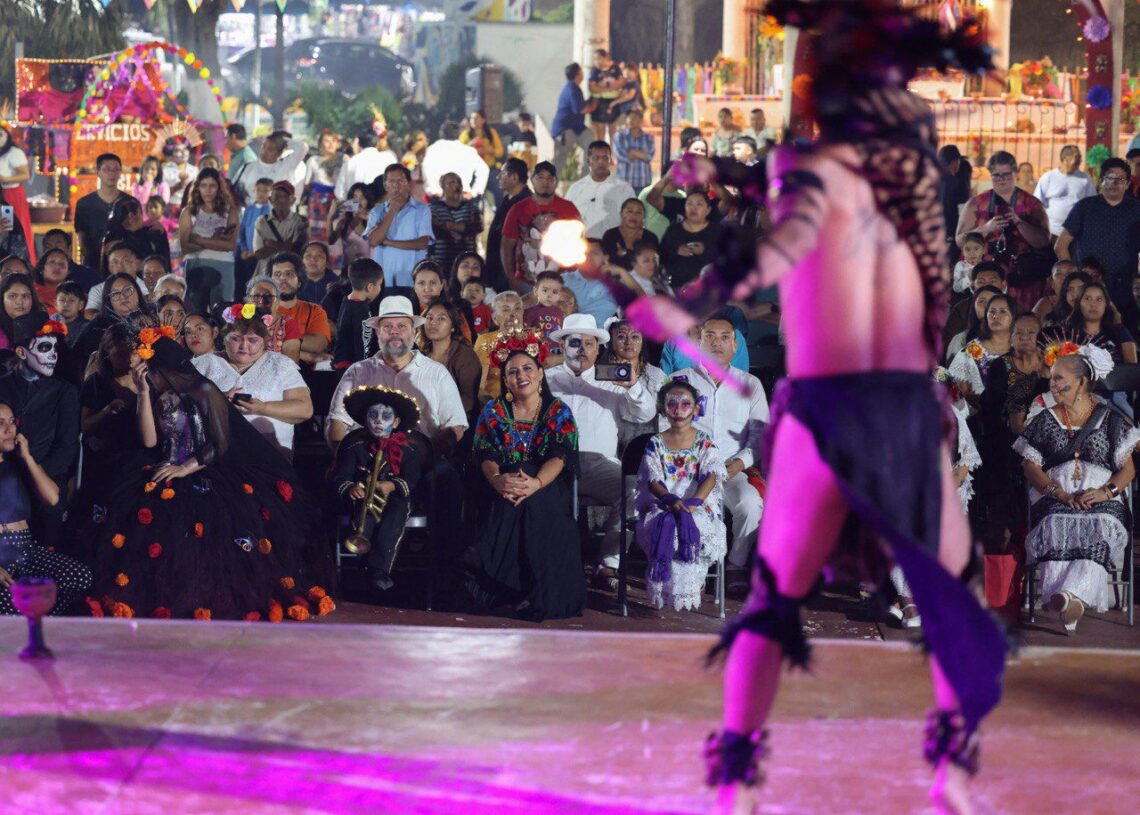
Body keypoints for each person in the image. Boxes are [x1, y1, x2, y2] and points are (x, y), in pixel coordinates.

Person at [623, 4, 1005, 809]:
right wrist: (693, 299)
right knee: (777, 597)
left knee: (950, 594)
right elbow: (784, 241)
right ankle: (736, 769)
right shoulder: (814, 171)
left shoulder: (910, 184)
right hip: (829, 411)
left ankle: (953, 765)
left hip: (899, 407)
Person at [89, 335, 333, 621]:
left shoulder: (203, 390)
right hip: (168, 465)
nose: (148, 377)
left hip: (204, 468)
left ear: (165, 369)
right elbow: (150, 441)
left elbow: (220, 442)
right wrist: (143, 393)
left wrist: (185, 468)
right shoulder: (159, 396)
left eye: (150, 372)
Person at [1016, 345, 1140, 632]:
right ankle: (1070, 601)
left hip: (1101, 497)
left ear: (1082, 382)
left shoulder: (1112, 420)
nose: (1052, 384)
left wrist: (1106, 492)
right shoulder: (1044, 419)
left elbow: (1128, 469)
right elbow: (1030, 467)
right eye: (1052, 378)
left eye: (1059, 378)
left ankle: (1069, 597)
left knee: (1101, 523)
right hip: (1055, 494)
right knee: (1054, 522)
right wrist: (1058, 492)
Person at [466, 344, 585, 621]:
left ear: (541, 374)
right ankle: (503, 588)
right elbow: (485, 453)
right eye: (513, 372)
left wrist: (536, 483)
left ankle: (539, 593)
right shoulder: (494, 410)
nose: (521, 375)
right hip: (502, 485)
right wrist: (497, 479)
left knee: (535, 504)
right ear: (506, 381)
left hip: (546, 484)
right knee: (509, 498)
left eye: (528, 368)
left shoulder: (558, 411)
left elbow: (561, 455)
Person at [547, 313, 657, 582]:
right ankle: (547, 564)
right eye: (575, 343)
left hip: (598, 465)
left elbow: (645, 414)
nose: (581, 350)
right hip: (552, 466)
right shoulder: (546, 379)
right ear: (562, 346)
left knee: (635, 491)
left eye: (589, 343)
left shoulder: (612, 380)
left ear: (598, 349)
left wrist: (632, 386)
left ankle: (609, 562)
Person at [671, 313, 768, 580]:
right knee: (683, 508)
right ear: (699, 343)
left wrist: (740, 462)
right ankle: (693, 569)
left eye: (725, 338)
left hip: (732, 470)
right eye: (710, 336)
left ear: (735, 346)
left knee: (750, 506)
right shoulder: (680, 381)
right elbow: (665, 430)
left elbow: (760, 435)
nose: (717, 343)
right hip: (689, 471)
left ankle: (735, 565)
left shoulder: (750, 385)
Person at [326, 295, 468, 458]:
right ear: (378, 332)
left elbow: (455, 425)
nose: (394, 331)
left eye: (402, 326)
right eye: (387, 326)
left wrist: (427, 458)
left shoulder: (437, 373)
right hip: (366, 460)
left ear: (414, 332)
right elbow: (337, 421)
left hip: (423, 460)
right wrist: (346, 460)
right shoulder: (357, 372)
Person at [635, 378, 726, 611]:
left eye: (685, 404)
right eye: (671, 404)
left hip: (697, 505)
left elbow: (711, 476)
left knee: (693, 525)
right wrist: (672, 501)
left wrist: (693, 503)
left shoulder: (704, 442)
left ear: (696, 408)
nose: (678, 410)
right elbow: (652, 479)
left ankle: (691, 584)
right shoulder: (655, 442)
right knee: (666, 526)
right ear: (663, 408)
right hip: (663, 505)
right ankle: (668, 588)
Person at [0, 399, 91, 616]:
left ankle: (43, 627)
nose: (9, 429)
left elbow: (52, 498)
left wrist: (28, 457)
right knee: (12, 604)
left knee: (79, 577)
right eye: (0, 423)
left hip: (26, 548)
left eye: (12, 421)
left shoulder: (19, 462)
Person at [330, 385, 425, 591]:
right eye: (373, 415)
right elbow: (340, 477)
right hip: (364, 497)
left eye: (386, 416)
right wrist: (351, 488)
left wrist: (392, 484)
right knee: (365, 516)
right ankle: (361, 564)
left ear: (396, 422)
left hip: (396, 498)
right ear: (365, 419)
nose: (378, 421)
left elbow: (414, 479)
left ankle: (378, 569)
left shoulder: (408, 450)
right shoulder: (355, 447)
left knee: (394, 518)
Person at [193, 307, 313, 457]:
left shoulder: (281, 364)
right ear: (224, 338)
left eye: (253, 340)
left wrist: (263, 408)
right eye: (236, 339)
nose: (243, 346)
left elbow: (304, 409)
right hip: (214, 454)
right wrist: (219, 399)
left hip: (269, 455)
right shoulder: (203, 364)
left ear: (264, 341)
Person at [956, 150, 1052, 311]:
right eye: (996, 175)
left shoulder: (1031, 204)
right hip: (987, 277)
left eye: (1006, 175)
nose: (1001, 180)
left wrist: (1020, 223)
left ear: (1015, 173)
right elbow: (960, 240)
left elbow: (1044, 241)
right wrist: (985, 229)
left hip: (1022, 278)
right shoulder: (976, 203)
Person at [1055, 157, 1140, 322]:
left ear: (1128, 184)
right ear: (1101, 181)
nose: (1115, 183)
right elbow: (1061, 245)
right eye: (1110, 177)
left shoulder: (1136, 210)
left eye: (1121, 179)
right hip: (1087, 288)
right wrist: (1076, 279)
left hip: (1124, 287)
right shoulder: (1085, 207)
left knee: (1125, 332)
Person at [500, 162, 582, 292]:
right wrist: (511, 278)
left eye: (550, 178)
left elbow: (578, 244)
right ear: (532, 180)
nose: (545, 182)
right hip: (526, 282)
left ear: (556, 182)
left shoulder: (568, 208)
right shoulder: (518, 209)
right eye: (540, 177)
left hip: (561, 283)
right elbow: (506, 246)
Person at [179, 168, 239, 312]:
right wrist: (215, 241)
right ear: (197, 187)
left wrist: (199, 239)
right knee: (195, 312)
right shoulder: (189, 212)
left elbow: (230, 245)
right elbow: (185, 247)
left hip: (224, 264)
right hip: (196, 265)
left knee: (224, 312)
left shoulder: (230, 211)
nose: (208, 190)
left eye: (212, 186)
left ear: (219, 188)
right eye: (203, 185)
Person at [604, 317, 668, 451]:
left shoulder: (656, 376)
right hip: (608, 449)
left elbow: (666, 420)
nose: (629, 342)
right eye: (621, 337)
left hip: (648, 449)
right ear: (611, 342)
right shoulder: (602, 375)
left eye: (635, 336)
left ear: (642, 341)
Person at [366, 164, 433, 290]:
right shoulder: (377, 211)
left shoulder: (422, 210)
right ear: (386, 185)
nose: (397, 186)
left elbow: (422, 243)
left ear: (409, 184)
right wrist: (392, 210)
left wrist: (387, 242)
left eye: (401, 181)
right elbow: (374, 241)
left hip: (412, 281)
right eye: (392, 181)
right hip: (383, 281)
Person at [419, 297, 482, 420]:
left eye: (441, 318)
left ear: (453, 326)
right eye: (429, 318)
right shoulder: (421, 355)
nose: (433, 323)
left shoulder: (465, 356)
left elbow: (468, 401)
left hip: (456, 420)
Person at [268, 251, 331, 365]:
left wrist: (274, 338)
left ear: (299, 282)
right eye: (277, 274)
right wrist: (307, 355)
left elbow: (318, 345)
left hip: (304, 373)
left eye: (289, 273)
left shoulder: (315, 311)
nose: (283, 278)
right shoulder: (260, 310)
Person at [565, 141, 636, 239]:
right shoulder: (576, 189)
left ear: (610, 160)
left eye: (605, 158)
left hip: (613, 245)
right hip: (582, 244)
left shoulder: (624, 189)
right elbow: (566, 220)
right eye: (596, 158)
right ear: (588, 161)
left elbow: (633, 220)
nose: (601, 162)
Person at [485, 158, 532, 293]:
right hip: (498, 270)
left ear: (514, 177)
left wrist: (512, 276)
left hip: (514, 274)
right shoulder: (507, 199)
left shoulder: (526, 203)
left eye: (502, 173)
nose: (498, 177)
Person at [661, 190, 720, 290]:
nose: (693, 208)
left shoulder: (718, 231)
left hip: (709, 287)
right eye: (689, 203)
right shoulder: (673, 230)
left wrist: (705, 250)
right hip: (676, 287)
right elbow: (661, 257)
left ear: (708, 210)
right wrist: (676, 250)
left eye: (699, 204)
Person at [1067, 280, 1137, 364]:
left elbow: (1132, 369)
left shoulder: (1120, 332)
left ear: (1106, 304)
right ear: (1079, 303)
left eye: (1099, 299)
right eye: (1087, 298)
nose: (1093, 304)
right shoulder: (1066, 332)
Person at [74, 153, 125, 268]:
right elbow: (81, 237)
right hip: (93, 264)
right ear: (98, 172)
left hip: (122, 264)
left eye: (116, 169)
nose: (112, 173)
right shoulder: (84, 204)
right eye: (107, 169)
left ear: (120, 173)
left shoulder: (129, 203)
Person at [1033, 146, 1096, 238]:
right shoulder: (1048, 177)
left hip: (1076, 232)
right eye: (1077, 157)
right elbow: (1037, 203)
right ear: (1066, 158)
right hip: (1052, 231)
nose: (1080, 160)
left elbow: (1091, 203)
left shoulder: (1085, 178)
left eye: (1080, 157)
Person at [333, 258, 385, 368]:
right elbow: (360, 343)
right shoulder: (360, 309)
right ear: (370, 287)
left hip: (343, 364)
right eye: (379, 285)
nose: (380, 288)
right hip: (352, 368)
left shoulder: (347, 301)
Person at [233, 130, 309, 204]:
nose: (264, 151)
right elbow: (236, 190)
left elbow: (302, 147)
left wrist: (283, 140)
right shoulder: (248, 167)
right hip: (252, 210)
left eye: (270, 149)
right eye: (264, 146)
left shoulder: (286, 166)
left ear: (279, 153)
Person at [251, 181, 308, 279]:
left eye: (285, 197)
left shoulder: (301, 221)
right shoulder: (262, 221)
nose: (281, 200)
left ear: (293, 200)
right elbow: (259, 254)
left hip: (289, 276)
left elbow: (295, 251)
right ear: (270, 200)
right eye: (277, 196)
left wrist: (271, 244)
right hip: (265, 274)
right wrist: (285, 245)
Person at [474, 291, 525, 399]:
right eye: (506, 310)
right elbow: (478, 387)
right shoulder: (486, 341)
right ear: (495, 319)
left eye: (517, 308)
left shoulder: (532, 341)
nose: (513, 315)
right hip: (496, 402)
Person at [429, 172, 483, 272]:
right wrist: (458, 232)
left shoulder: (470, 206)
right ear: (443, 187)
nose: (456, 185)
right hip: (442, 260)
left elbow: (477, 227)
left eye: (459, 182)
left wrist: (451, 226)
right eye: (451, 182)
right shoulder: (434, 207)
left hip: (466, 260)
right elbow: (433, 230)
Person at [562, 239, 620, 328]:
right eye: (584, 253)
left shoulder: (616, 283)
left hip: (606, 335)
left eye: (595, 253)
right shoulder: (563, 280)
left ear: (605, 258)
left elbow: (641, 305)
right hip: (570, 333)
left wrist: (622, 272)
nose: (588, 257)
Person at [420, 122, 489, 197]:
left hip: (439, 197)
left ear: (441, 133)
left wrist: (434, 191)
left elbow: (426, 169)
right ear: (459, 134)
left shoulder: (431, 150)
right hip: (463, 197)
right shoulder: (469, 151)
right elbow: (484, 170)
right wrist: (474, 192)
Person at [553, 63, 599, 170]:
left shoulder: (575, 88)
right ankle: (552, 179)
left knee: (590, 142)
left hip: (577, 128)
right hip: (565, 130)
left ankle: (586, 174)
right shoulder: (572, 89)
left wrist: (592, 99)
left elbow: (582, 104)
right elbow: (582, 109)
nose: (583, 74)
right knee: (561, 159)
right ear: (577, 75)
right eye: (581, 72)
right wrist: (596, 102)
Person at [102, 196, 171, 268]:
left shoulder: (110, 236)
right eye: (141, 213)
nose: (142, 218)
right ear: (131, 216)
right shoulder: (120, 241)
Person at [244, 276, 301, 362]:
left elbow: (290, 364)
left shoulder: (288, 324)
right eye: (256, 296)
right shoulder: (239, 322)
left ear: (278, 301)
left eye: (268, 296)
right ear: (248, 301)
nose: (261, 301)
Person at [334, 127, 397, 201]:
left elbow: (340, 194)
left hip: (357, 206)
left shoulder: (350, 163)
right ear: (377, 143)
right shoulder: (389, 158)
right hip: (384, 206)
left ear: (359, 143)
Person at [944, 284, 1002, 363]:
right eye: (981, 301)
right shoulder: (961, 339)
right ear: (974, 306)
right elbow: (953, 368)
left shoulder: (1013, 338)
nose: (987, 307)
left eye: (993, 302)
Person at [236, 177, 273, 298]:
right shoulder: (249, 209)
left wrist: (256, 251)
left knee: (255, 285)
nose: (261, 193)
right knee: (241, 283)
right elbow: (241, 231)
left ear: (271, 193)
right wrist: (243, 249)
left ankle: (253, 308)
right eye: (258, 190)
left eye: (265, 190)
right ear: (254, 191)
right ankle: (239, 307)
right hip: (246, 254)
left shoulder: (271, 211)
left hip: (260, 256)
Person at [601, 198, 659, 270]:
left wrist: (625, 253)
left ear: (643, 217)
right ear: (621, 214)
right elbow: (607, 261)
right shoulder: (610, 235)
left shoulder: (650, 237)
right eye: (629, 211)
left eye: (638, 212)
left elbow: (653, 264)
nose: (634, 215)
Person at [613, 108, 656, 190]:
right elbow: (620, 156)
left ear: (641, 120)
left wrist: (630, 151)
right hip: (624, 183)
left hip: (643, 182)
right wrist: (641, 155)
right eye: (628, 118)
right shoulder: (619, 136)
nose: (630, 120)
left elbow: (649, 157)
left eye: (634, 118)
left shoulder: (648, 138)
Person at [588, 49, 624, 142]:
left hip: (613, 101)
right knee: (600, 133)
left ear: (606, 57)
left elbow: (620, 83)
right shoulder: (594, 70)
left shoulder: (615, 68)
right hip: (599, 102)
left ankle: (612, 150)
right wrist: (610, 87)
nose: (596, 61)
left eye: (599, 58)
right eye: (594, 59)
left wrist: (604, 85)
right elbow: (592, 88)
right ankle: (601, 150)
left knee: (613, 132)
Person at [459, 110, 505, 177]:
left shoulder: (491, 133)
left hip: (490, 169)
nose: (474, 120)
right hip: (472, 171)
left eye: (477, 118)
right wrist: (469, 146)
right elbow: (459, 154)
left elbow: (500, 152)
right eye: (472, 118)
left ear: (483, 120)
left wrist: (491, 151)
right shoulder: (465, 135)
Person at [1032, 260, 1078, 325]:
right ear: (1052, 283)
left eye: (1069, 273)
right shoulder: (1046, 304)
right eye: (1058, 274)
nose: (1064, 277)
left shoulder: (1084, 301)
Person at [161, 138, 198, 208]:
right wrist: (179, 185)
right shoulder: (164, 170)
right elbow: (161, 193)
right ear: (172, 153)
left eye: (185, 149)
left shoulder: (195, 170)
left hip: (190, 207)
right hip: (170, 206)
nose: (183, 153)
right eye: (177, 150)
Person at [33, 248, 72, 313]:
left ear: (68, 272)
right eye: (52, 262)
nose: (57, 267)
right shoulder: (31, 293)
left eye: (62, 264)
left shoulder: (75, 295)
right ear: (42, 268)